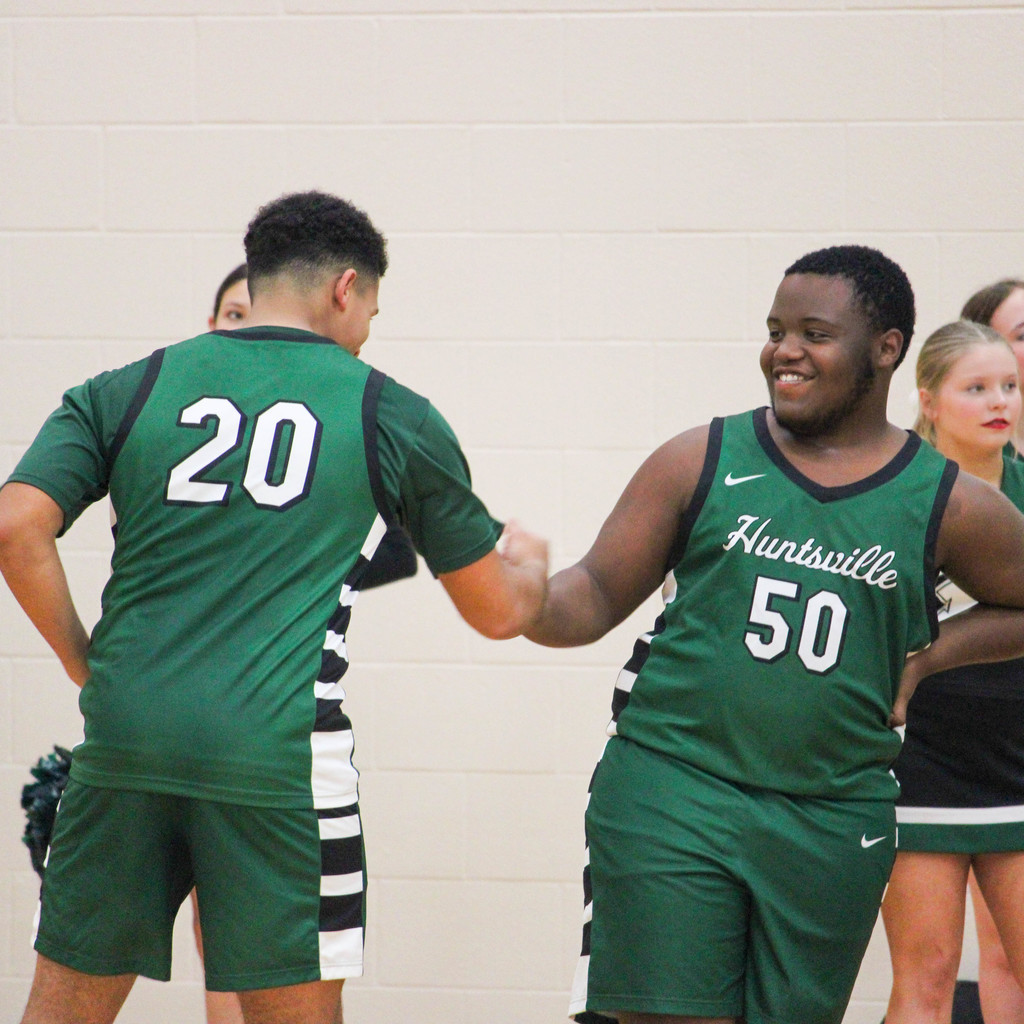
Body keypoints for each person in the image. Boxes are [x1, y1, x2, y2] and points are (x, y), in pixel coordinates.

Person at [0, 189, 548, 1024]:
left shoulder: (127, 386)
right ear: (346, 288)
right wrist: (532, 566)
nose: (367, 328)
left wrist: (89, 669)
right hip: (278, 760)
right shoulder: (390, 411)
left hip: (123, 742)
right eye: (372, 308)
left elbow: (15, 527)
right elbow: (498, 614)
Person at [523, 245, 1024, 1024]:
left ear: (886, 349)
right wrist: (519, 596)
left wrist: (929, 661)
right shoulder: (703, 457)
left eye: (814, 333)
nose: (783, 351)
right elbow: (589, 594)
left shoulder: (945, 500)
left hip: (833, 811)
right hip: (675, 786)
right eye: (775, 329)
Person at [881, 319, 1024, 1024]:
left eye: (1009, 385)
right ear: (929, 400)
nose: (1000, 400)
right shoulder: (896, 495)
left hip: (1018, 754)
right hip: (920, 756)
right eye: (977, 388)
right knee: (928, 975)